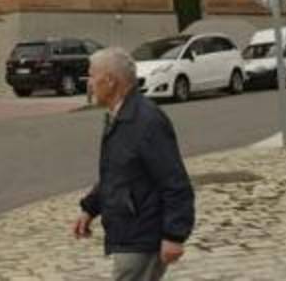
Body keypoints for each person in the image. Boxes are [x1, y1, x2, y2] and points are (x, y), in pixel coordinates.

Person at [72, 48, 195, 281]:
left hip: (142, 234)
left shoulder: (146, 120)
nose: (88, 84)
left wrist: (174, 235)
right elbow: (117, 172)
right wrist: (90, 208)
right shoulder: (119, 116)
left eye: (91, 76)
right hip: (129, 230)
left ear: (109, 81)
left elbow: (174, 181)